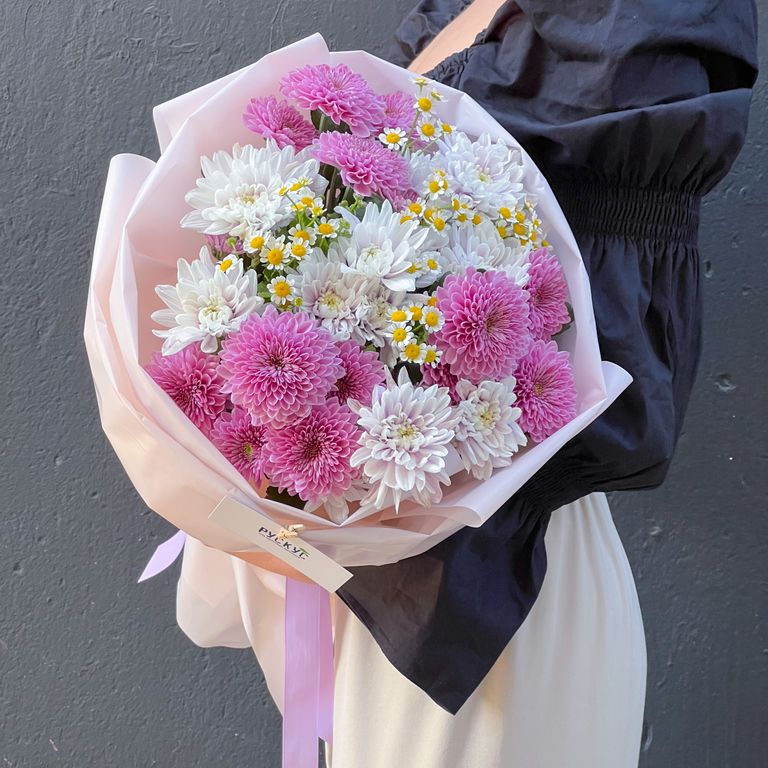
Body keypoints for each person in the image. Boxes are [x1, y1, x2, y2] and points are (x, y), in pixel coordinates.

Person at [177, 2, 758, 766]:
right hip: (380, 561)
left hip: (499, 587)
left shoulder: (634, 25)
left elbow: (618, 325)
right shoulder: (455, 13)